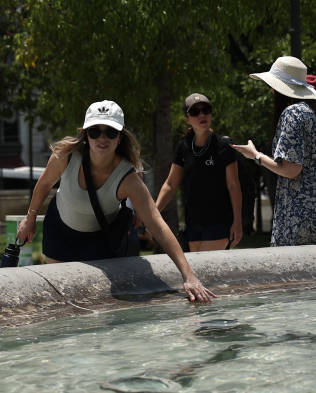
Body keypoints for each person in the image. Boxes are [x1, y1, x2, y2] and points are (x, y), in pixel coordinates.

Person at [16, 100, 215, 302]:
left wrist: (188, 276)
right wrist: (30, 218)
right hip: (60, 233)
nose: (102, 138)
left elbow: (158, 227)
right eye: (95, 131)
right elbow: (44, 184)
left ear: (120, 136)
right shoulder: (64, 156)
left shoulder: (129, 179)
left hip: (101, 241)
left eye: (110, 132)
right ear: (86, 133)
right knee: (64, 298)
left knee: (97, 301)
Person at [232, 56, 316, 246]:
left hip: (298, 208)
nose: (271, 90)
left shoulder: (292, 113)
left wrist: (256, 155)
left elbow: (292, 170)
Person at [154, 94, 243, 251]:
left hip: (219, 222)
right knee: (196, 267)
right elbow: (170, 184)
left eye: (206, 110)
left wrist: (237, 222)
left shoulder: (223, 145)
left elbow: (233, 185)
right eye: (195, 112)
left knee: (206, 266)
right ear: (187, 119)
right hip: (192, 224)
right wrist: (153, 215)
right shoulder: (184, 146)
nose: (202, 115)